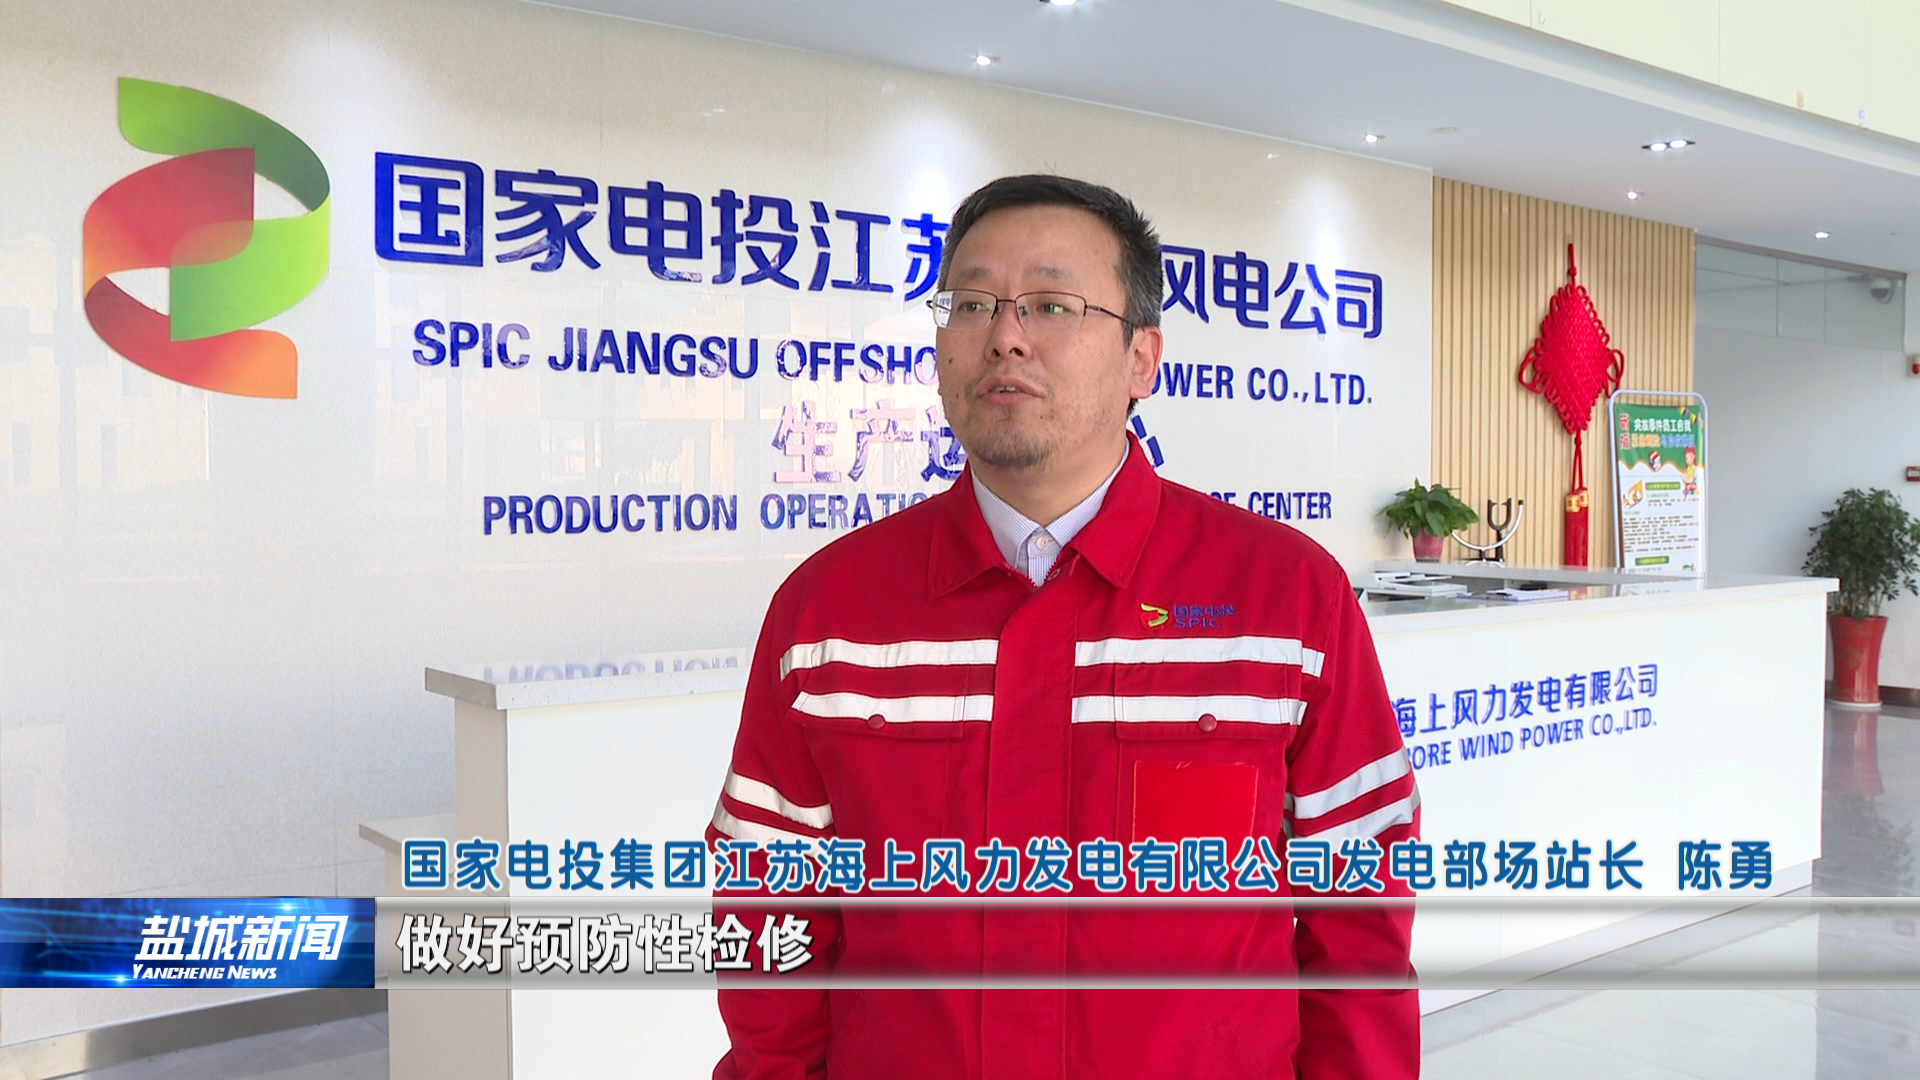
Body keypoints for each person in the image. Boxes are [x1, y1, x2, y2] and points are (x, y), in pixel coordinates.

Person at [707, 174, 1419, 1079]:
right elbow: (765, 915)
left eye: (1052, 304)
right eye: (972, 304)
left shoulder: (1286, 601)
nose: (1005, 335)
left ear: (1142, 359)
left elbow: (1359, 925)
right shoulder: (829, 612)